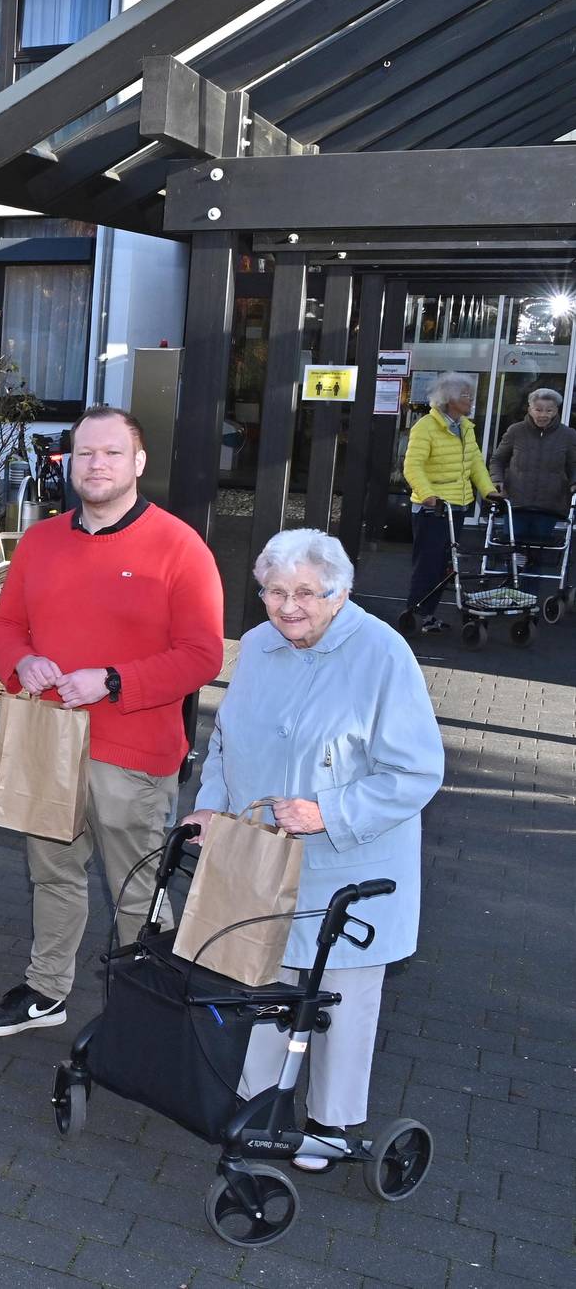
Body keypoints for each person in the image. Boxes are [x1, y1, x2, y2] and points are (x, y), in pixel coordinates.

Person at [186, 529, 440, 1172]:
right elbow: (224, 740)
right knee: (265, 984)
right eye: (274, 591)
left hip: (349, 863)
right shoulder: (262, 645)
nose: (288, 605)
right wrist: (212, 804)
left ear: (340, 593)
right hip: (263, 857)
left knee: (343, 1000)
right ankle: (258, 1106)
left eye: (305, 592)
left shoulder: (383, 654)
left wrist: (330, 812)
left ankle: (331, 1123)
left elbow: (416, 773)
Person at [0, 405, 224, 1038]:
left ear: (138, 463)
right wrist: (22, 661)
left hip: (132, 749)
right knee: (52, 875)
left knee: (137, 888)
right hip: (48, 743)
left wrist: (113, 680)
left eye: (112, 453)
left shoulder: (179, 546)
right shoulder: (41, 540)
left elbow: (203, 656)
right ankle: (46, 990)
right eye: (85, 453)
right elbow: (4, 625)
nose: (96, 465)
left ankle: (150, 1009)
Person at [401, 371, 496, 633]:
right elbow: (412, 466)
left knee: (446, 565)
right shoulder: (426, 427)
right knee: (428, 563)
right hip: (433, 508)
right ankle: (415, 612)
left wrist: (488, 491)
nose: (471, 400)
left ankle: (428, 615)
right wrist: (428, 493)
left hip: (458, 506)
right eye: (466, 395)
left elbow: (476, 463)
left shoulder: (465, 427)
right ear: (449, 398)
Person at [489, 387, 576, 554]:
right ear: (529, 409)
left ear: (556, 410)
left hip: (549, 506)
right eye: (538, 409)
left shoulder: (568, 435)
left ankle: (530, 580)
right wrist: (497, 480)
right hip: (516, 503)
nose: (543, 414)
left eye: (549, 410)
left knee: (537, 553)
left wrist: (574, 484)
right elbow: (498, 460)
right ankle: (513, 580)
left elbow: (574, 465)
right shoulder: (516, 431)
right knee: (513, 551)